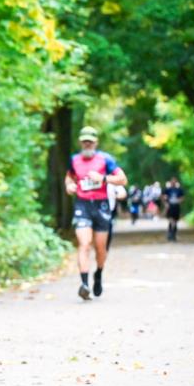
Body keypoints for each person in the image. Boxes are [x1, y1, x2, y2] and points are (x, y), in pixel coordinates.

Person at [65, 126, 128, 300]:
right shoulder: (74, 160)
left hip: (102, 206)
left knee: (100, 249)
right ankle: (84, 284)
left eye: (90, 141)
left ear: (96, 143)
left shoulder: (106, 159)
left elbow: (123, 179)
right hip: (82, 205)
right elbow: (69, 177)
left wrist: (103, 179)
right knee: (84, 244)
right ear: (80, 142)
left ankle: (98, 273)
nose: (87, 144)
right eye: (84, 141)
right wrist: (69, 186)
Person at [163, 176, 185, 241]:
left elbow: (182, 197)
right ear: (170, 182)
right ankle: (171, 233)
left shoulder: (179, 190)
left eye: (174, 181)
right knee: (171, 219)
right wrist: (165, 203)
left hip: (176, 206)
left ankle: (173, 234)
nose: (173, 182)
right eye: (172, 181)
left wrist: (179, 201)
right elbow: (163, 196)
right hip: (170, 206)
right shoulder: (168, 189)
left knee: (175, 221)